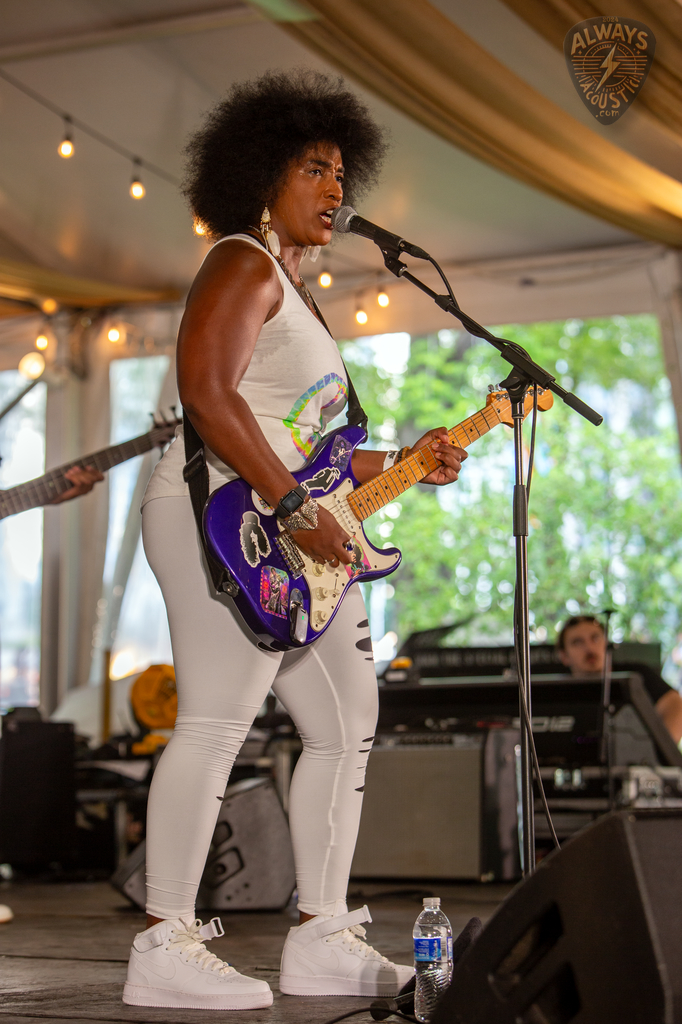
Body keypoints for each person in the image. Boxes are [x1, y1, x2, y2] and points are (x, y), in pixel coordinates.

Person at [123, 70, 468, 1012]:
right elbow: (206, 393)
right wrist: (285, 504)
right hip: (221, 516)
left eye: (341, 172)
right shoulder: (239, 260)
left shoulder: (300, 293)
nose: (334, 187)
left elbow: (310, 448)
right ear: (260, 176)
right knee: (216, 721)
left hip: (287, 523)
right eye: (314, 168)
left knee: (349, 723)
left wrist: (409, 459)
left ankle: (321, 933)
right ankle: (163, 940)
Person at [557, 615, 682, 744]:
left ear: (607, 644)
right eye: (577, 642)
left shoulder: (636, 675)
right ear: (564, 656)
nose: (589, 648)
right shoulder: (559, 690)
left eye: (595, 638)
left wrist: (659, 751)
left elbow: (675, 705)